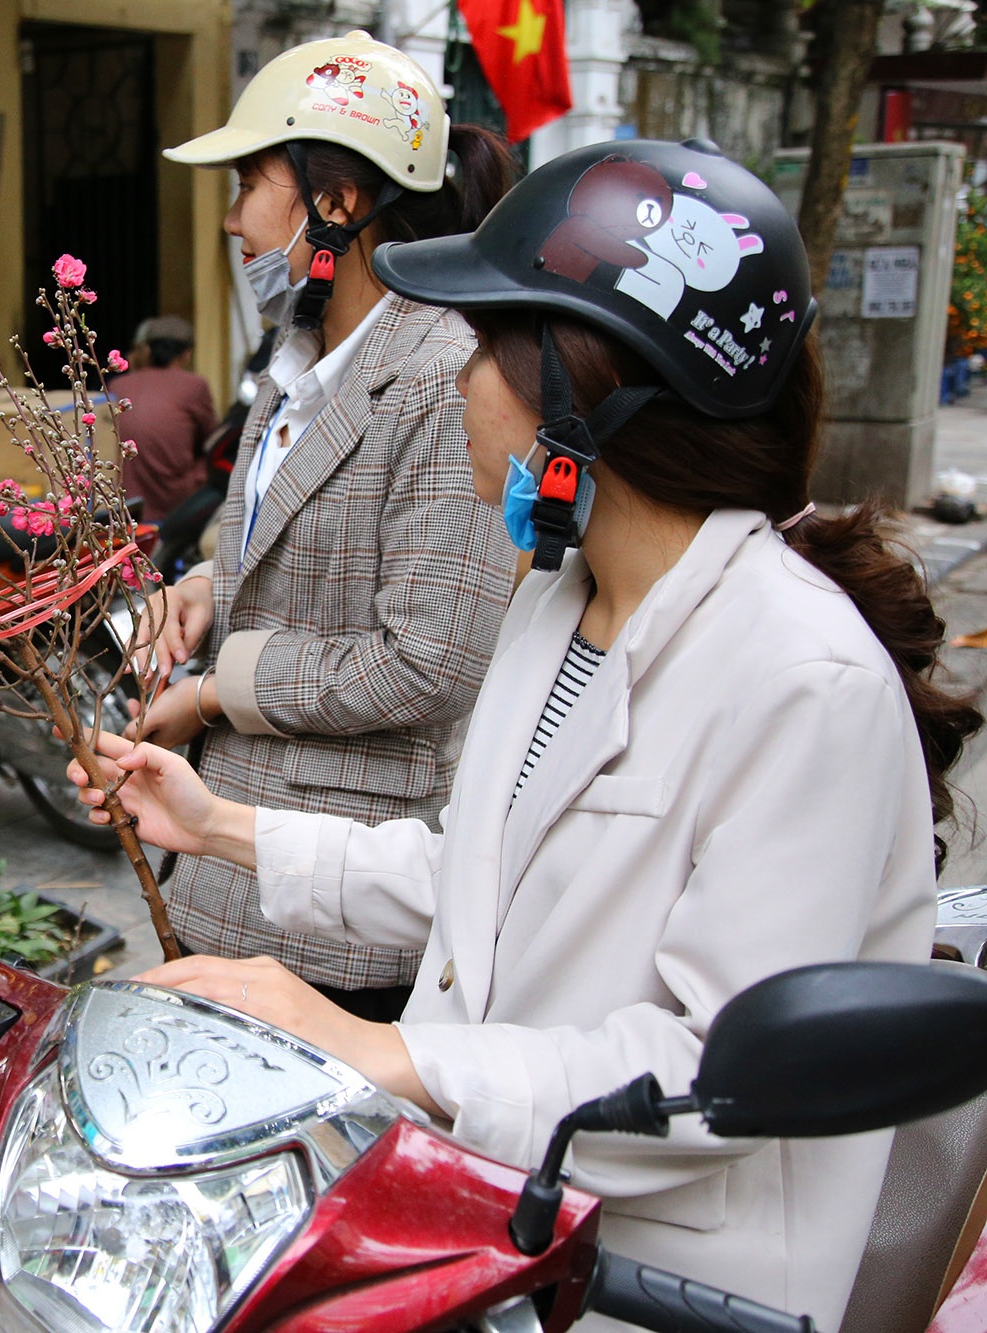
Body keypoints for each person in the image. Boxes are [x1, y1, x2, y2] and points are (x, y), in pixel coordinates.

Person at [72, 139, 983, 1329]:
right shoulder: (560, 604)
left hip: (661, 1290)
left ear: (589, 390)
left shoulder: (799, 682)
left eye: (485, 347)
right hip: (494, 1231)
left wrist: (380, 1052)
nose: (455, 380)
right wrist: (223, 825)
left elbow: (713, 1070)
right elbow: (484, 882)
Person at [132, 34, 518, 1021]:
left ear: (335, 202)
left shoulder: (441, 378)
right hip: (230, 885)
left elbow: (428, 661)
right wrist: (204, 589)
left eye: (249, 181)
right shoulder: (298, 357)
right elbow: (283, 553)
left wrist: (215, 692)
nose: (230, 219)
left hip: (339, 928)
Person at [113, 315, 217, 524]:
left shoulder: (118, 385)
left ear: (147, 351)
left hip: (125, 502)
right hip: (175, 502)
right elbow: (211, 440)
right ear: (187, 354)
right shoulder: (194, 385)